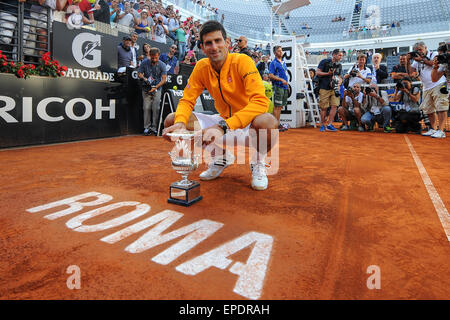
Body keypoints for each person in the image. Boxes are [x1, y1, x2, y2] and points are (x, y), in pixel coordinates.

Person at [162, 20, 277, 191]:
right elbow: (187, 100)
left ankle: (258, 163)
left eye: (218, 41)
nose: (214, 47)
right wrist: (180, 121)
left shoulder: (242, 61)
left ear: (227, 43)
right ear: (202, 46)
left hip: (246, 125)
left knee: (268, 123)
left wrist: (224, 126)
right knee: (173, 119)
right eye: (209, 43)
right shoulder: (201, 67)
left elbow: (260, 102)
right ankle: (220, 157)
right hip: (222, 121)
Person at [409, 41, 448, 138]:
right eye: (417, 50)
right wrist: (407, 61)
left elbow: (434, 64)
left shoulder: (433, 54)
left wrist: (421, 60)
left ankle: (441, 130)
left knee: (441, 107)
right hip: (426, 87)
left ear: (426, 48)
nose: (419, 52)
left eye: (420, 49)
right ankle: (433, 129)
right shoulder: (416, 60)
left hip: (438, 84)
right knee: (428, 109)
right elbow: (411, 72)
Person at [138, 47, 167, 136]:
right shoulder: (144, 62)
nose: (154, 59)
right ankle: (147, 128)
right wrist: (144, 78)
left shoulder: (162, 65)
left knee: (156, 108)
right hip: (146, 89)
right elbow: (139, 74)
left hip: (157, 89)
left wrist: (155, 87)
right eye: (153, 57)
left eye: (156, 57)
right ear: (149, 56)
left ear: (159, 56)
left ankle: (154, 128)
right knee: (146, 108)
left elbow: (164, 79)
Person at [316, 49, 344, 132]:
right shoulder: (324, 61)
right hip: (324, 87)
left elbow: (339, 77)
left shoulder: (339, 65)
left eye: (341, 55)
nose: (341, 57)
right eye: (339, 55)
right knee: (324, 107)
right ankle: (322, 125)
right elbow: (318, 72)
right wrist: (328, 74)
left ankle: (330, 124)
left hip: (334, 88)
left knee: (334, 106)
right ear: (334, 55)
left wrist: (338, 83)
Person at [268, 45, 289, 132]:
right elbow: (270, 75)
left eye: (281, 50)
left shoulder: (283, 62)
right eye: (279, 51)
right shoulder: (273, 63)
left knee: (280, 107)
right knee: (276, 107)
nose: (281, 52)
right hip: (278, 87)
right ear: (275, 53)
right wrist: (281, 79)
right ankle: (275, 125)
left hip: (284, 87)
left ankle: (277, 124)